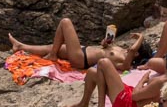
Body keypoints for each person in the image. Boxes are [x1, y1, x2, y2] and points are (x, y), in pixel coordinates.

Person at [64, 42, 167, 107]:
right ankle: (83, 104)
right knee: (93, 72)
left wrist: (143, 80)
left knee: (104, 62)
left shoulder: (160, 82)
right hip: (130, 100)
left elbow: (134, 97)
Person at [10, 18, 140, 73]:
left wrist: (141, 38)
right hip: (83, 50)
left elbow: (133, 50)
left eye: (134, 49)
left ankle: (53, 56)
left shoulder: (125, 62)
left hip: (81, 58)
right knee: (54, 45)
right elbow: (103, 48)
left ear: (137, 54)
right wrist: (106, 42)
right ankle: (20, 46)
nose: (130, 47)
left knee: (65, 22)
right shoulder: (122, 51)